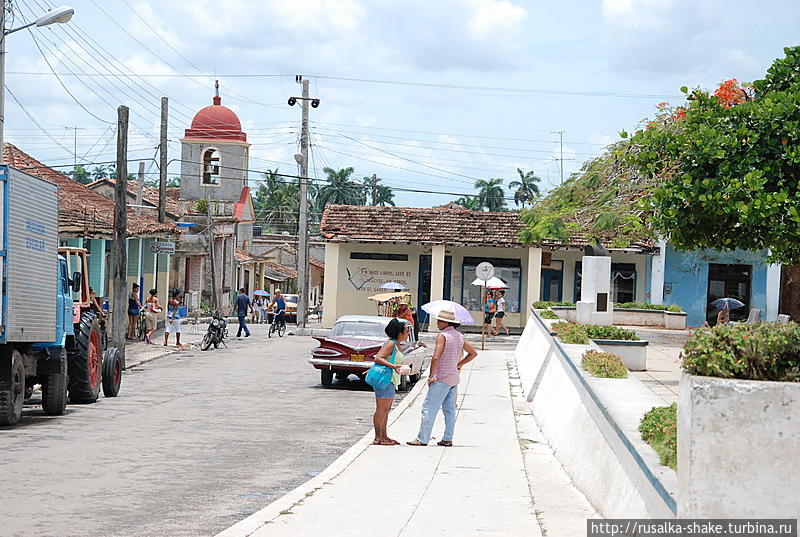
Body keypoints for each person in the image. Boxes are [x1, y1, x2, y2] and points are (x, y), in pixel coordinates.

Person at [408, 308, 478, 447]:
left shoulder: (443, 336)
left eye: (440, 321)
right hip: (453, 377)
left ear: (446, 322)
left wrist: (431, 375)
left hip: (441, 377)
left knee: (429, 408)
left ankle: (422, 438)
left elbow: (436, 357)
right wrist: (459, 365)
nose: (438, 323)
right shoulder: (459, 336)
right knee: (450, 410)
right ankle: (448, 437)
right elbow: (473, 353)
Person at [370, 318, 409, 446]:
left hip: (391, 380)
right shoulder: (390, 344)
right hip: (385, 379)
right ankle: (377, 437)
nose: (408, 334)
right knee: (381, 409)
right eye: (406, 331)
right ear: (400, 333)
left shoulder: (396, 344)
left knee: (386, 409)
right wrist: (393, 367)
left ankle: (384, 436)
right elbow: (378, 358)